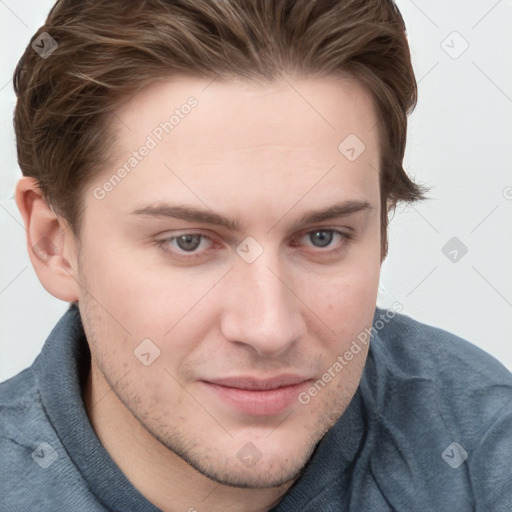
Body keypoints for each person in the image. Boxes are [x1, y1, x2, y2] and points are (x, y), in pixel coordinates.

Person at [1, 0, 511, 510]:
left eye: (322, 237)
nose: (269, 329)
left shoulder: (487, 454)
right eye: (189, 242)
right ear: (54, 243)